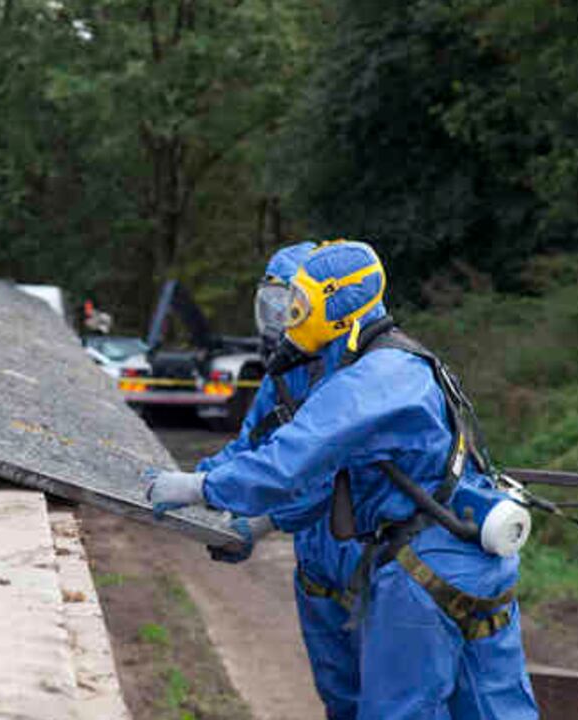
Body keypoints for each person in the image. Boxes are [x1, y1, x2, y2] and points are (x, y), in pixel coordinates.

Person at [145, 240, 538, 719]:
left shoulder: (368, 379)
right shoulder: (401, 361)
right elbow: (332, 479)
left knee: (398, 711)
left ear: (332, 308)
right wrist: (249, 512)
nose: (287, 319)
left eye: (298, 306)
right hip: (478, 559)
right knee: (498, 709)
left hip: (418, 572)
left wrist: (198, 488)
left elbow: (289, 463)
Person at [196, 241, 363, 719]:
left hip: (374, 564)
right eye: (269, 304)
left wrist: (261, 522)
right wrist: (194, 483)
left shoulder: (360, 375)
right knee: (340, 699)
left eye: (288, 305)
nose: (277, 320)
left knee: (393, 701)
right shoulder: (284, 376)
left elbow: (338, 475)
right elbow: (252, 450)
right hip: (318, 570)